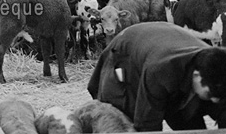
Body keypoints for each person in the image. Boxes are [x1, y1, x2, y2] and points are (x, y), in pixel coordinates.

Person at [88, 23, 226, 131]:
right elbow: (148, 125)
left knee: (192, 113)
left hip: (168, 42)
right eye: (209, 93)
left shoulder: (217, 64)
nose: (214, 99)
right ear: (196, 75)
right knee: (125, 120)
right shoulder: (160, 71)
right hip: (129, 52)